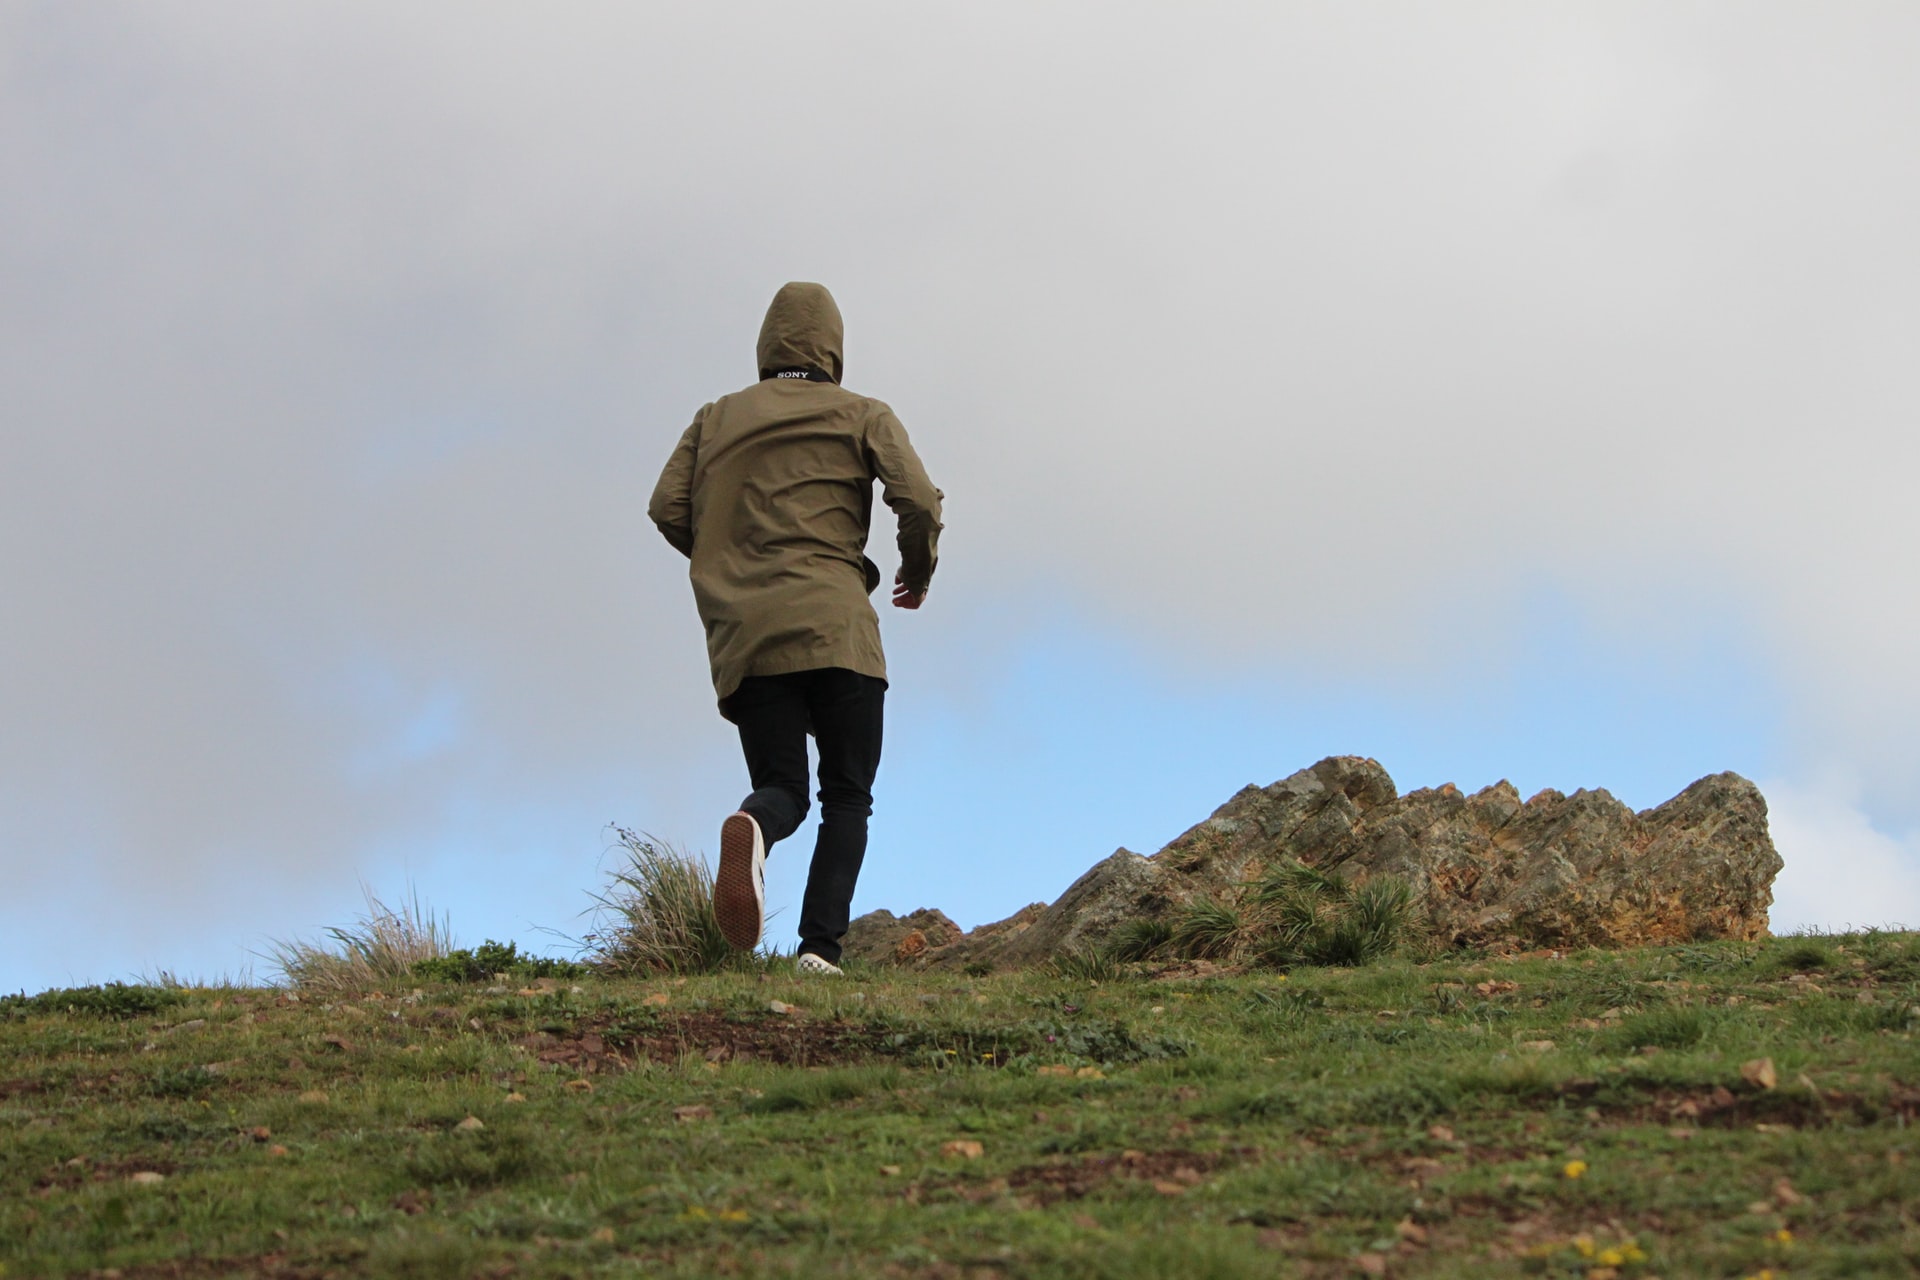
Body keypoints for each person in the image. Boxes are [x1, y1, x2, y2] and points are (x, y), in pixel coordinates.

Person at [647, 282, 944, 977]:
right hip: (838, 627)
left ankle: (754, 825)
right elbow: (919, 503)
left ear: (766, 346)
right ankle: (819, 951)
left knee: (784, 786)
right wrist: (918, 572)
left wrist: (733, 564)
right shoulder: (863, 413)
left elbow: (667, 507)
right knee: (848, 795)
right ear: (833, 348)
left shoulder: (715, 418)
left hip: (749, 635)